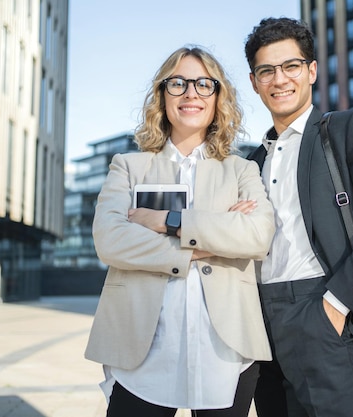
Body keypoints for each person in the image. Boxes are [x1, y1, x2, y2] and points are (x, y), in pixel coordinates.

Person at [243, 17, 353, 417]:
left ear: (311, 70)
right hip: (261, 325)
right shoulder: (252, 162)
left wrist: (337, 302)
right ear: (254, 82)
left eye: (290, 66)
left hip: (322, 307)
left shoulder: (344, 129)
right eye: (266, 70)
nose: (279, 79)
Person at [84, 46, 275, 417]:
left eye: (205, 84)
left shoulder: (242, 171)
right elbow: (110, 240)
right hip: (142, 350)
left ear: (219, 97)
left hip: (227, 351)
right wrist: (211, 240)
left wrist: (166, 222)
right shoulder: (127, 166)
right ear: (162, 94)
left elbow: (256, 236)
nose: (191, 93)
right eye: (178, 83)